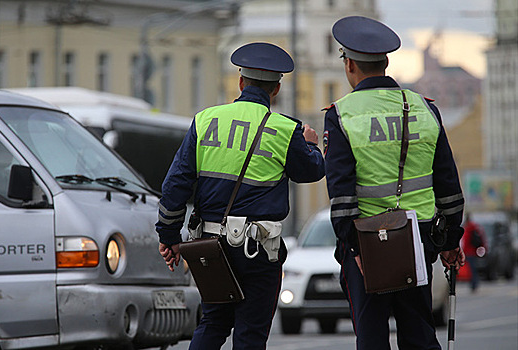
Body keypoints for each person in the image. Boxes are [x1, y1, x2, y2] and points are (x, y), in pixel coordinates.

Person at [155, 42, 325, 350]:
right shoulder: (286, 130)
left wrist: (168, 236)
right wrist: (311, 144)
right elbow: (311, 172)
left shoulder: (205, 120)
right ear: (276, 89)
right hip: (258, 251)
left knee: (213, 323)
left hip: (211, 248)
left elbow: (175, 185)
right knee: (250, 334)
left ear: (240, 82)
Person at [323, 16, 466, 349]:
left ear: (349, 64)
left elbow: (341, 192)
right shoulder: (423, 109)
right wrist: (450, 240)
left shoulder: (342, 114)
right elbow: (447, 182)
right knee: (419, 333)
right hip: (417, 242)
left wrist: (353, 247)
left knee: (372, 337)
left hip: (367, 245)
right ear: (386, 63)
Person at [461, 214, 487, 292]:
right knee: (473, 268)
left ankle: (474, 284)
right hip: (473, 251)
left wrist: (463, 251)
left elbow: (466, 242)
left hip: (469, 252)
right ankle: (474, 283)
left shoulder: (468, 229)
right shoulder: (475, 227)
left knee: (472, 269)